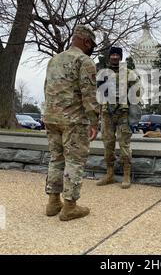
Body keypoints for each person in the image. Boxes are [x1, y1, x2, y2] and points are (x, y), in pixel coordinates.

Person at [44, 25, 100, 221]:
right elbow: (89, 96)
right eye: (92, 44)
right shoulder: (84, 61)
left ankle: (53, 202)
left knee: (56, 159)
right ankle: (69, 206)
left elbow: (46, 89)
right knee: (74, 161)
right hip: (74, 121)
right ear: (86, 41)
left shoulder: (53, 60)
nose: (92, 47)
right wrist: (95, 122)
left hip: (51, 118)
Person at [96, 47, 140, 189]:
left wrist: (134, 118)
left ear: (120, 57)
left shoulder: (129, 74)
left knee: (124, 145)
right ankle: (110, 174)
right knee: (108, 144)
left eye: (117, 55)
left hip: (123, 113)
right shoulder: (102, 74)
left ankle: (126, 174)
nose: (114, 57)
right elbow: (96, 94)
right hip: (106, 113)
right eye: (112, 54)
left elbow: (136, 95)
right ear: (109, 57)